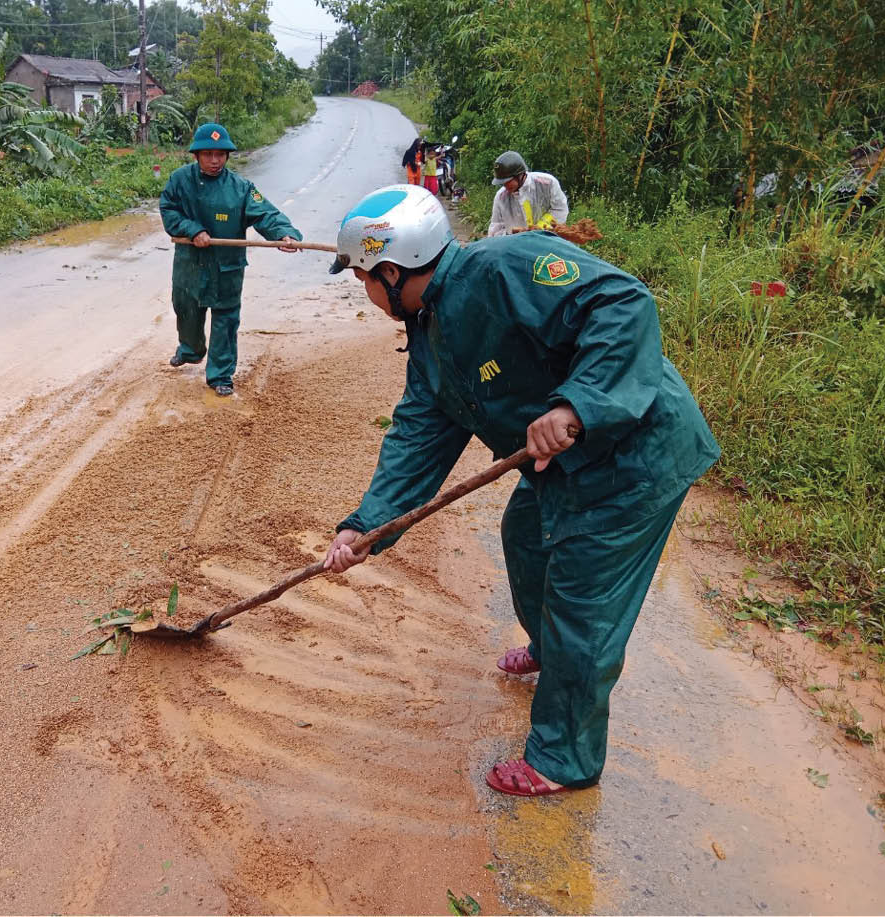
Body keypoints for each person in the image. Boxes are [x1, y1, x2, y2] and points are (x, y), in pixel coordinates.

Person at [324, 185, 719, 796]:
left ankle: (563, 760)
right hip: (562, 465)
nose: (366, 294)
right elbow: (418, 437)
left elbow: (623, 303)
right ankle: (548, 649)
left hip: (634, 454)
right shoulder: (430, 338)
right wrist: (365, 526)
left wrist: (576, 403)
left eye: (363, 281)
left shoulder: (503, 268)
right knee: (525, 538)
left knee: (581, 605)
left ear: (392, 272)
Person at [159, 122, 302, 397]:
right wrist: (193, 230)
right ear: (196, 155)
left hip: (227, 268)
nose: (215, 161)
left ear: (227, 156)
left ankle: (220, 375)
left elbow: (265, 214)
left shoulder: (241, 187)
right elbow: (169, 210)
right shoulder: (180, 180)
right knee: (187, 311)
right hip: (190, 264)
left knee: (225, 321)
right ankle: (191, 350)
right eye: (208, 154)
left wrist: (284, 233)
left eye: (221, 155)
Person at [488, 150, 569, 237]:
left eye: (508, 181)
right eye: (502, 182)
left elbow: (560, 209)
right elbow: (495, 230)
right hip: (519, 245)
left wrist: (540, 228)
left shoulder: (547, 183)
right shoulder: (500, 197)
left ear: (520, 175)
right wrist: (513, 235)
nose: (505, 185)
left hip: (548, 239)